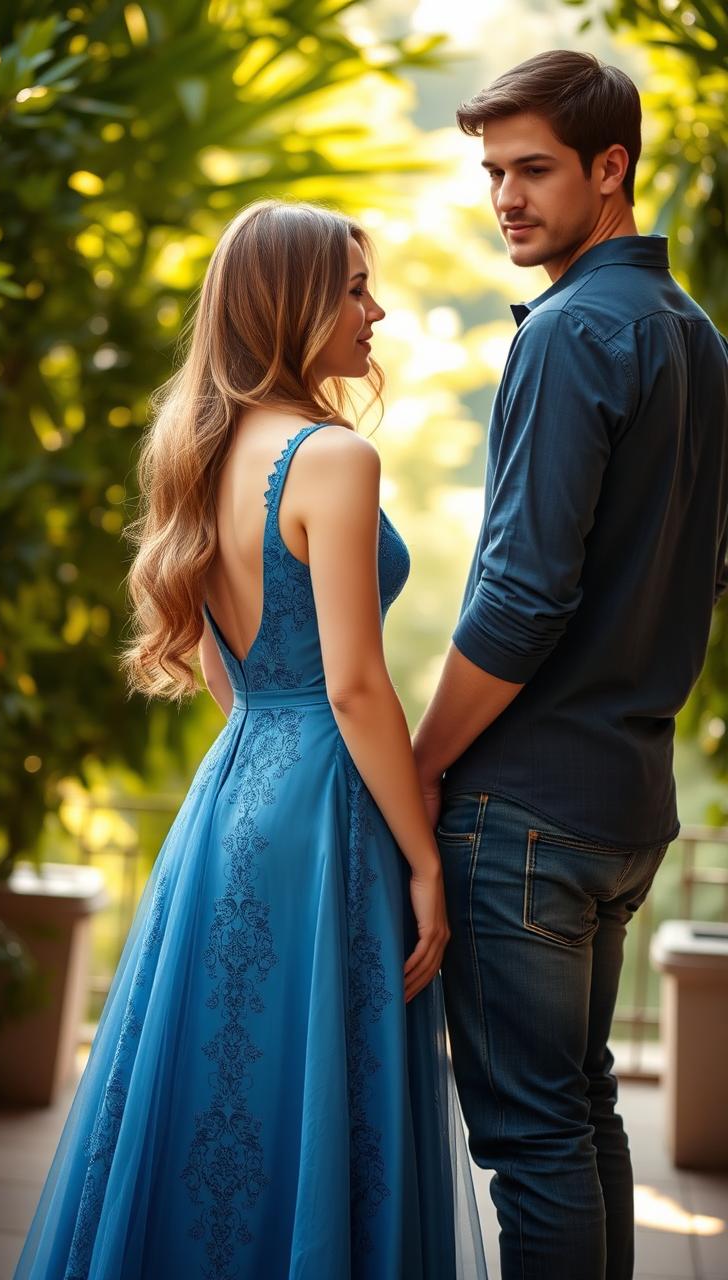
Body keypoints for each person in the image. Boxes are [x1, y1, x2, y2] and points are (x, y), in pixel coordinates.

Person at [14, 199, 486, 1279]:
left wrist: (274, 745)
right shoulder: (333, 457)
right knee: (310, 1079)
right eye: (355, 287)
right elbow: (359, 687)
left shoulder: (205, 445)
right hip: (324, 799)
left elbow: (230, 665)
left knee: (213, 1093)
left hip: (232, 791)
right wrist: (422, 857)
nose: (378, 311)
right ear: (292, 303)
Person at [413, 49, 728, 1280]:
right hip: (626, 805)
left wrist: (425, 761)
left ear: (612, 169)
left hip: (526, 808)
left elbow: (521, 592)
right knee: (580, 1112)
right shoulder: (695, 335)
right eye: (492, 171)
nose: (504, 197)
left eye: (533, 169)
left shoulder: (571, 334)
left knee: (534, 1137)